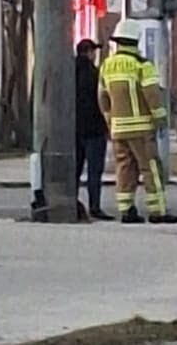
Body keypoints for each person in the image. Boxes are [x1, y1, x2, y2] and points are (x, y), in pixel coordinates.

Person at [97, 19, 177, 225]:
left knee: (124, 169)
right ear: (135, 41)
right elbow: (152, 94)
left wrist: (110, 120)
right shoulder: (142, 66)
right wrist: (160, 118)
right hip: (141, 128)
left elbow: (102, 97)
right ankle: (157, 211)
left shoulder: (107, 65)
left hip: (118, 128)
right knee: (150, 168)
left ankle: (126, 210)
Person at [75, 38, 112, 220]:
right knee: (94, 171)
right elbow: (103, 100)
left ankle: (71, 202)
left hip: (75, 130)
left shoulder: (70, 73)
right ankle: (94, 206)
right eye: (93, 51)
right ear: (89, 53)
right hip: (95, 129)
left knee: (75, 169)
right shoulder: (95, 74)